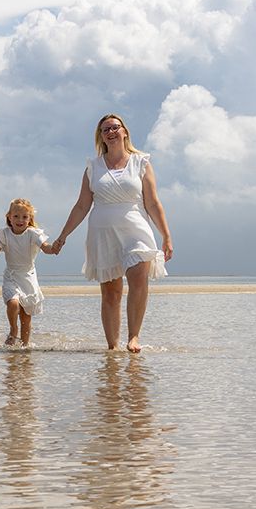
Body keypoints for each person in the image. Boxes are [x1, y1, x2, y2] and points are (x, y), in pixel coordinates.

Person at [51, 113, 173, 353]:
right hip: (102, 232)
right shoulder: (93, 167)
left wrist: (166, 235)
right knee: (111, 292)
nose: (111, 131)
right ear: (101, 137)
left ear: (125, 131)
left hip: (135, 228)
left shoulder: (141, 163)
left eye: (115, 127)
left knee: (139, 277)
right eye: (105, 129)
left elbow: (153, 203)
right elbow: (82, 206)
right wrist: (62, 236)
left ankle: (134, 337)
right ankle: (112, 346)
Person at [0, 198, 57, 347]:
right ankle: (13, 329)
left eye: (24, 217)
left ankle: (24, 347)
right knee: (13, 303)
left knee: (26, 317)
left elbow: (46, 247)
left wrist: (54, 248)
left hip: (28, 277)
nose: (20, 220)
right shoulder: (4, 234)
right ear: (9, 216)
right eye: (16, 216)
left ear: (29, 219)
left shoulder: (33, 234)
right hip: (11, 276)